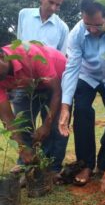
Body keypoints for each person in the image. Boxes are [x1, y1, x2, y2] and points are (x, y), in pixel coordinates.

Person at [58, 0, 105, 186]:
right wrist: (65, 107)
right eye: (87, 24)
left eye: (98, 24)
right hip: (87, 75)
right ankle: (86, 164)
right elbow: (72, 67)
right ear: (82, 17)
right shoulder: (76, 33)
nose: (92, 29)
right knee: (81, 110)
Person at [0, 43, 64, 172]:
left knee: (55, 126)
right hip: (26, 83)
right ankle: (26, 162)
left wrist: (46, 125)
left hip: (57, 77)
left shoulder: (31, 55)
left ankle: (53, 168)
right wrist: (22, 148)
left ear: (2, 56)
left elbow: (57, 91)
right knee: (22, 121)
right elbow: (7, 116)